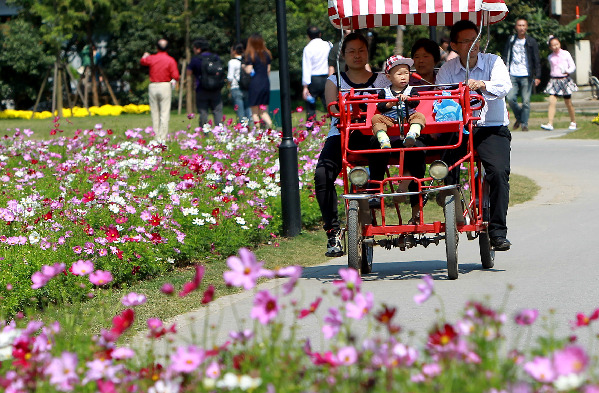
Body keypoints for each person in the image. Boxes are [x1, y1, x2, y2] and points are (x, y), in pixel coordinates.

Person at [436, 20, 513, 251]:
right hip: (460, 128)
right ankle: (454, 207)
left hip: (491, 126)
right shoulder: (448, 70)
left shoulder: (493, 61)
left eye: (475, 40)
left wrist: (481, 84)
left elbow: (503, 87)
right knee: (444, 166)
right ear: (454, 45)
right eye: (467, 41)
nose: (473, 45)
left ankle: (498, 232)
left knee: (498, 173)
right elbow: (439, 96)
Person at [315, 32, 390, 257]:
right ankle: (333, 232)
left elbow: (389, 104)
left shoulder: (382, 79)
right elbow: (333, 107)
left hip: (372, 131)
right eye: (351, 51)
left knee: (380, 141)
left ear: (367, 52)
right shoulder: (334, 80)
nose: (356, 55)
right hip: (342, 132)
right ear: (343, 55)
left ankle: (375, 188)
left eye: (361, 50)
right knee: (322, 175)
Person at [371, 55, 426, 149]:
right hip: (389, 118)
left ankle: (412, 134)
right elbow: (380, 106)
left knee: (419, 116)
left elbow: (416, 102)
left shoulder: (411, 90)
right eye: (399, 74)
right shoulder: (384, 92)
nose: (403, 77)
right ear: (389, 77)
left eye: (406, 73)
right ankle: (383, 139)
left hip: (407, 117)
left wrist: (408, 99)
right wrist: (390, 104)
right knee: (376, 118)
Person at [502, 18, 541, 132]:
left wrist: (537, 76)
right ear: (516, 27)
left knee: (526, 101)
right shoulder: (511, 40)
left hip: (526, 74)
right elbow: (505, 56)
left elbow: (536, 59)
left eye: (524, 25)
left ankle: (524, 123)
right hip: (512, 73)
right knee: (510, 98)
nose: (521, 27)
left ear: (527, 27)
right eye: (519, 25)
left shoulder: (531, 41)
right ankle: (519, 118)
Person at [140, 39, 180, 142]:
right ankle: (163, 137)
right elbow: (176, 75)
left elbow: (143, 61)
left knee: (155, 113)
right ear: (168, 48)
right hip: (165, 86)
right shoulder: (170, 60)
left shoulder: (152, 58)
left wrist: (145, 55)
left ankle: (156, 136)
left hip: (153, 86)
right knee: (164, 113)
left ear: (157, 47)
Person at [541, 36, 578, 131]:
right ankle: (550, 123)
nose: (556, 47)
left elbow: (572, 66)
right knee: (551, 101)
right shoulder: (550, 57)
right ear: (550, 47)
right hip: (554, 80)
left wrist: (567, 71)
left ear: (560, 44)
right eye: (553, 45)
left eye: (557, 44)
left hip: (565, 79)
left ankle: (573, 121)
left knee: (568, 102)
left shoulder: (565, 54)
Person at [187, 39, 224, 127]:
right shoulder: (215, 57)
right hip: (216, 88)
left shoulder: (196, 59)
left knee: (203, 112)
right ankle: (220, 132)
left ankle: (204, 132)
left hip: (201, 88)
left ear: (199, 49)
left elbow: (188, 73)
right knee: (217, 111)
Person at [302, 26, 332, 122]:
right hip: (327, 77)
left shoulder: (308, 48)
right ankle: (335, 124)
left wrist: (305, 86)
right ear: (320, 34)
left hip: (314, 79)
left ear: (308, 36)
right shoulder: (328, 45)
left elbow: (306, 67)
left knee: (311, 106)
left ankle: (311, 127)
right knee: (329, 103)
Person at [244, 34, 273, 128]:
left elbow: (249, 70)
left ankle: (258, 131)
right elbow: (268, 70)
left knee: (255, 112)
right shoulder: (267, 54)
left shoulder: (251, 55)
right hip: (265, 82)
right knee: (263, 111)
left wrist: (244, 67)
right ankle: (271, 127)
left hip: (255, 83)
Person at [227, 43, 251, 124]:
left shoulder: (232, 62)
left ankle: (242, 130)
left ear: (234, 51)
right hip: (247, 87)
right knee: (248, 110)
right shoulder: (246, 60)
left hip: (236, 87)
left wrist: (228, 87)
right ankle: (250, 128)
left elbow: (230, 77)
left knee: (240, 112)